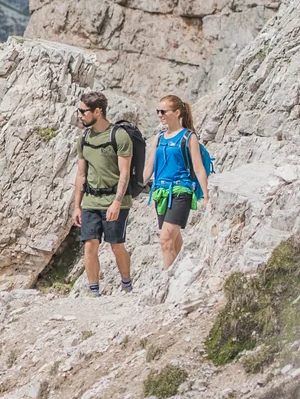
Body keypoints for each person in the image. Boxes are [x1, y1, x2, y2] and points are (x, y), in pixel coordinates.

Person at [68, 92, 134, 295]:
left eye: (83, 111)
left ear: (98, 111)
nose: (79, 115)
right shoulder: (84, 138)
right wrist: (77, 206)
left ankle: (126, 284)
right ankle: (93, 291)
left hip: (114, 201)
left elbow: (124, 173)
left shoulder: (119, 136)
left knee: (116, 245)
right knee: (90, 245)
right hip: (90, 201)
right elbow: (81, 174)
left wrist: (116, 202)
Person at [144, 95, 211, 270]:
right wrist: (136, 185)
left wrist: (205, 195)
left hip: (181, 191)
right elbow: (150, 165)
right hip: (161, 193)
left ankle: (165, 280)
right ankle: (181, 272)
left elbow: (198, 168)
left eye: (163, 111)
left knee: (165, 239)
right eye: (158, 111)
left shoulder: (188, 137)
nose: (160, 115)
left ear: (177, 112)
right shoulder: (158, 138)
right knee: (173, 241)